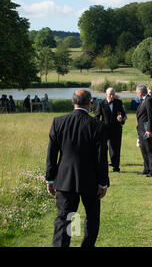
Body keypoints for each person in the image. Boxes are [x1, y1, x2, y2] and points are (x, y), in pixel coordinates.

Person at [45, 89, 109, 247]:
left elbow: (51, 155)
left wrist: (50, 179)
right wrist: (103, 183)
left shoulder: (58, 122)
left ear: (72, 102)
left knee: (65, 217)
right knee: (92, 217)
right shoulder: (97, 125)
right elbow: (101, 158)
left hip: (65, 178)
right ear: (90, 103)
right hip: (91, 179)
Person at [95, 88, 127, 173]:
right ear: (106, 94)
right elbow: (97, 117)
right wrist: (98, 128)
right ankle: (102, 166)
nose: (112, 96)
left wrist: (122, 119)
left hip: (116, 129)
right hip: (104, 130)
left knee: (116, 149)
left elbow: (124, 115)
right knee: (103, 148)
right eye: (110, 94)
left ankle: (116, 167)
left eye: (113, 94)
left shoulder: (119, 102)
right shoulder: (101, 103)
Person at [136, 85, 152, 177]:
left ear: (140, 92)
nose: (137, 94)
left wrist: (149, 130)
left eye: (137, 92)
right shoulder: (143, 100)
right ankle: (146, 168)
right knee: (143, 149)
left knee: (149, 149)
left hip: (146, 129)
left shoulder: (148, 100)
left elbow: (151, 116)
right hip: (141, 129)